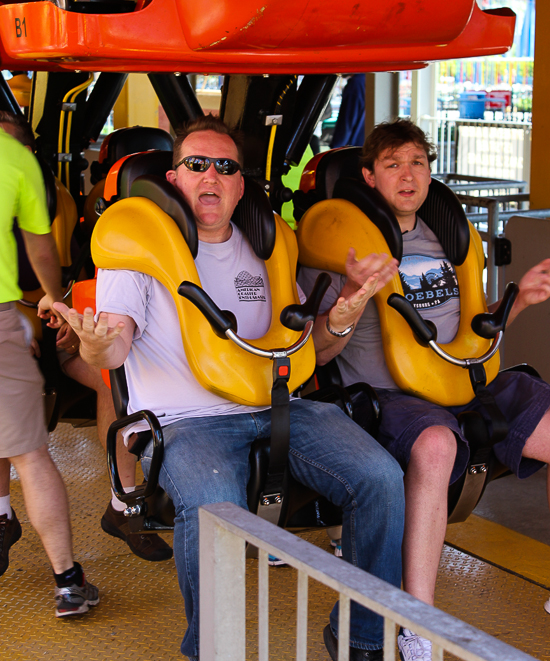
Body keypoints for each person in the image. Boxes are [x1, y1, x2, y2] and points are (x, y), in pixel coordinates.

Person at [56, 114, 405, 661]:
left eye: (225, 167)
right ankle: (211, 651)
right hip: (186, 424)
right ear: (174, 178)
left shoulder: (265, 248)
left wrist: (344, 315)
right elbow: (115, 346)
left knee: (381, 477)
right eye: (196, 164)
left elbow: (306, 354)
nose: (210, 176)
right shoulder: (140, 251)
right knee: (213, 505)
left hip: (277, 408)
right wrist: (94, 344)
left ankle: (363, 639)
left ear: (241, 184)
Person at [298, 118, 550, 661]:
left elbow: (475, 327)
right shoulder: (345, 244)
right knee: (436, 445)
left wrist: (521, 299)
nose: (408, 175)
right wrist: (349, 297)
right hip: (390, 395)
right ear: (368, 176)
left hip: (463, 378)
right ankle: (417, 624)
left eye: (417, 162)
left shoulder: (447, 236)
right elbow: (314, 355)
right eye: (392, 164)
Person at [0, 110, 172, 564]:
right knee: (113, 383)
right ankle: (124, 503)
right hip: (57, 329)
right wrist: (48, 315)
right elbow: (55, 290)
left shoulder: (177, 238)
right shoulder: (98, 233)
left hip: (81, 324)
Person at [0, 124, 99, 616]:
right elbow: (43, 254)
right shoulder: (15, 164)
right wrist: (54, 303)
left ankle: (2, 519)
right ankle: (67, 578)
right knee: (29, 453)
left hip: (15, 320)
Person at [330, 74, 366, 149]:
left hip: (352, 149)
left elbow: (346, 121)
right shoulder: (367, 81)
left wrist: (335, 148)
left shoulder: (355, 85)